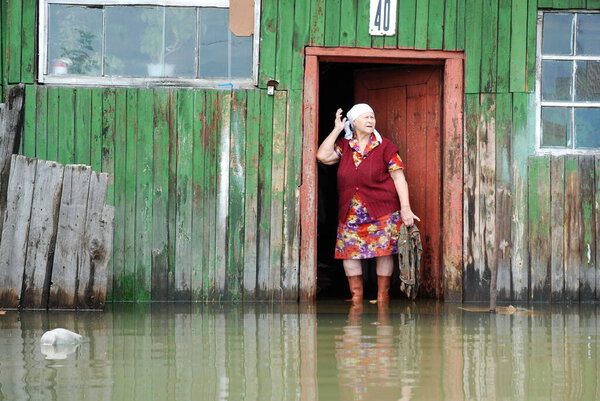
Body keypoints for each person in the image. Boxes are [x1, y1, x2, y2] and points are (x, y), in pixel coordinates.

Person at [316, 103, 420, 303]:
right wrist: (337, 129)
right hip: (350, 211)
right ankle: (357, 297)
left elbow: (399, 178)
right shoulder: (345, 146)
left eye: (372, 117)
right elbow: (322, 156)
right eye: (366, 117)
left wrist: (406, 209)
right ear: (354, 122)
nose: (371, 121)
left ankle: (383, 296)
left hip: (382, 210)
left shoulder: (385, 146)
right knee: (349, 253)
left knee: (383, 252)